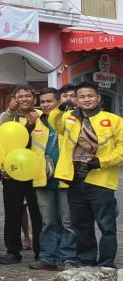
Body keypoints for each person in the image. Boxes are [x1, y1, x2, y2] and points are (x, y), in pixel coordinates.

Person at [51, 81, 123, 268]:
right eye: (82, 96)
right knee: (81, 225)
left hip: (101, 180)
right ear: (76, 99)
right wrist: (60, 108)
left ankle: (106, 264)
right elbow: (53, 123)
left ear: (98, 98)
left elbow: (122, 148)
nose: (86, 99)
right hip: (74, 179)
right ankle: (86, 261)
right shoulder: (68, 118)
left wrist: (101, 161)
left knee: (107, 226)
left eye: (90, 96)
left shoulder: (114, 120)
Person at [28, 87, 78, 270]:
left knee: (67, 222)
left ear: (59, 101)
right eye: (43, 102)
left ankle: (68, 258)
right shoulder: (36, 121)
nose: (46, 105)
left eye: (50, 101)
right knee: (47, 222)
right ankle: (48, 257)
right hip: (42, 178)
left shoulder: (70, 119)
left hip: (65, 177)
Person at [0, 85, 42, 265]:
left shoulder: (41, 116)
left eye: (27, 96)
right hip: (13, 171)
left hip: (36, 171)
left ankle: (41, 251)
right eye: (19, 96)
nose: (24, 99)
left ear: (34, 98)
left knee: (38, 213)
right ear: (14, 98)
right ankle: (12, 251)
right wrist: (10, 109)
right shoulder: (8, 117)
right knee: (12, 212)